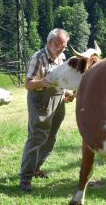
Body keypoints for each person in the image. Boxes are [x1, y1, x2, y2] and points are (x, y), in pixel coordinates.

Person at [19, 28, 74, 192]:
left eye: (64, 46)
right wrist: (43, 82)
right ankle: (25, 178)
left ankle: (36, 168)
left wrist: (67, 92)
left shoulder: (62, 57)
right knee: (37, 138)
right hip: (40, 102)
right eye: (59, 45)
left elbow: (62, 81)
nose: (62, 49)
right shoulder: (39, 57)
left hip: (58, 102)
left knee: (51, 139)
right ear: (49, 42)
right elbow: (28, 85)